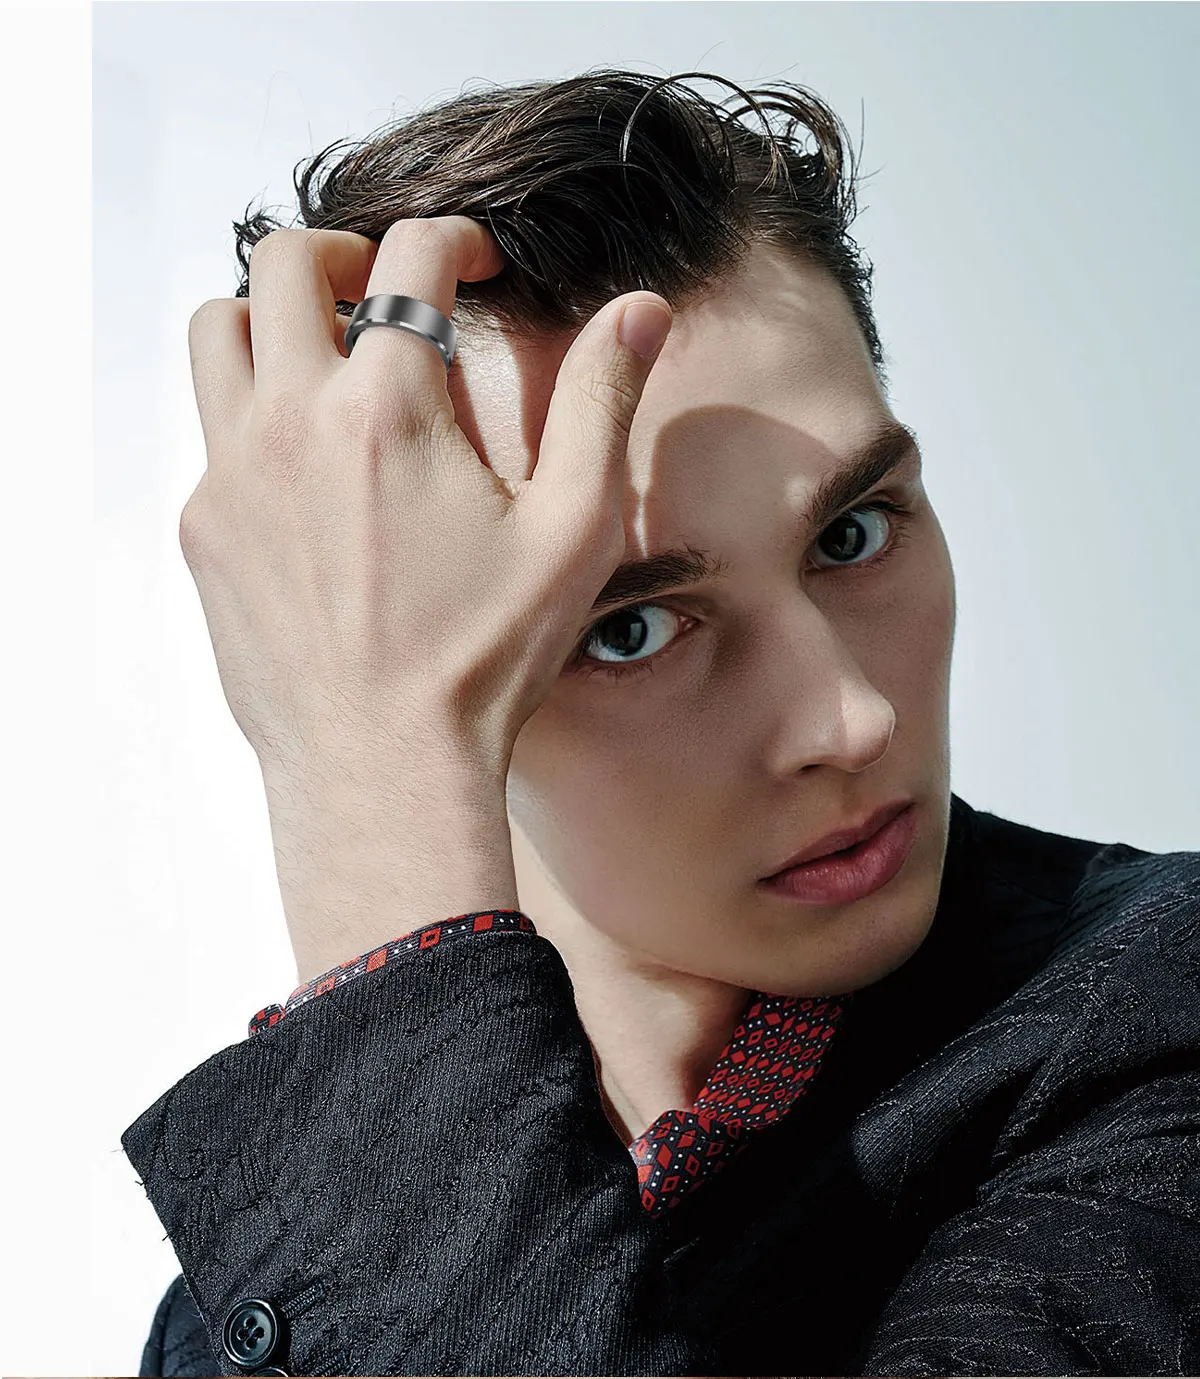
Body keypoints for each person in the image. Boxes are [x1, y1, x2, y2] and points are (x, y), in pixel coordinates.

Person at [122, 69, 1199, 1377]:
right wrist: (363, 769)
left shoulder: (1154, 1025)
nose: (851, 717)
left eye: (854, 534)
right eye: (627, 627)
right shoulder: (243, 1321)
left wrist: (363, 816)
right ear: (381, 657)